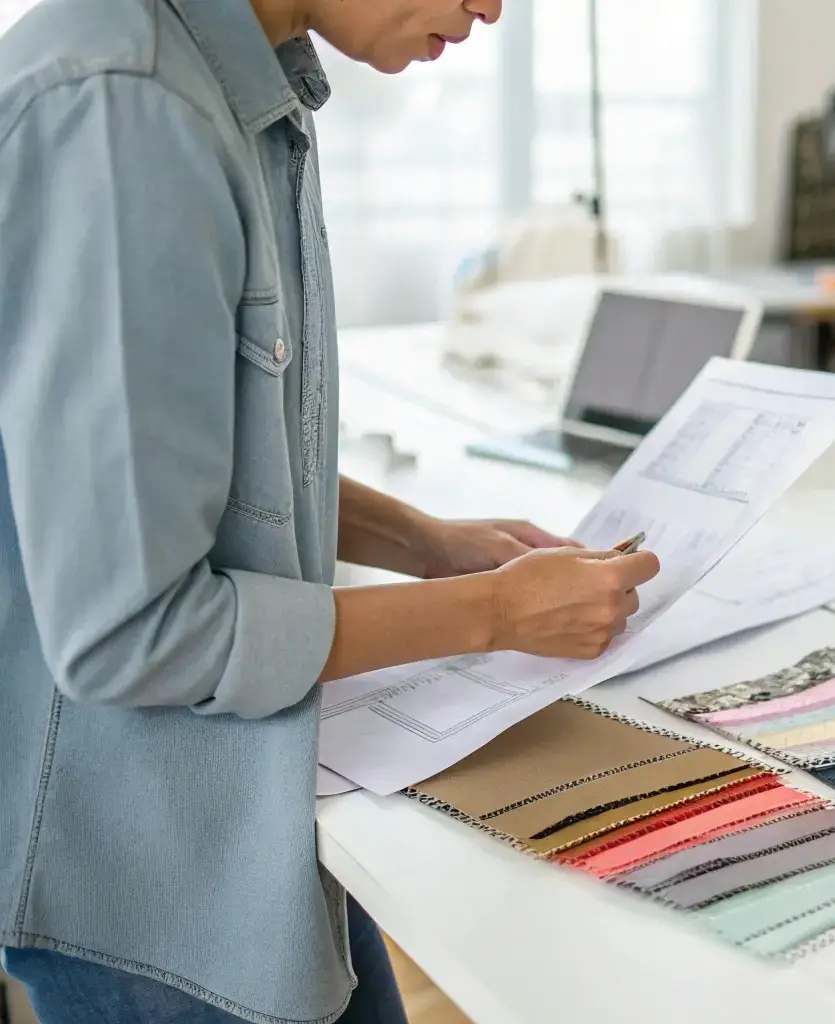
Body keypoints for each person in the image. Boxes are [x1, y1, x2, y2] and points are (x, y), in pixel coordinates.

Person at [0, 0, 662, 1021]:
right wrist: (494, 612)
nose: (491, 5)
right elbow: (134, 635)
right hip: (139, 865)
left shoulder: (245, 80)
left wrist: (427, 544)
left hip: (249, 796)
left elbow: (201, 463)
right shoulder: (127, 110)